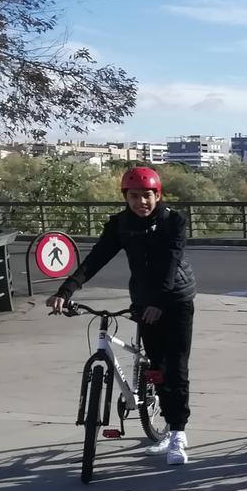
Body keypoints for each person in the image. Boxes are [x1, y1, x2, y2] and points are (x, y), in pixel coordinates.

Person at [47, 166, 196, 465]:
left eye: (147, 196)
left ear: (158, 195)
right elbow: (95, 259)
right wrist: (65, 291)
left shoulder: (173, 221)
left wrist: (159, 302)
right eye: (134, 196)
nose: (141, 202)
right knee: (157, 368)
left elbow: (171, 263)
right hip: (143, 300)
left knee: (175, 367)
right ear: (125, 197)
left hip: (175, 299)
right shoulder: (120, 224)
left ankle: (178, 432)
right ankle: (164, 425)